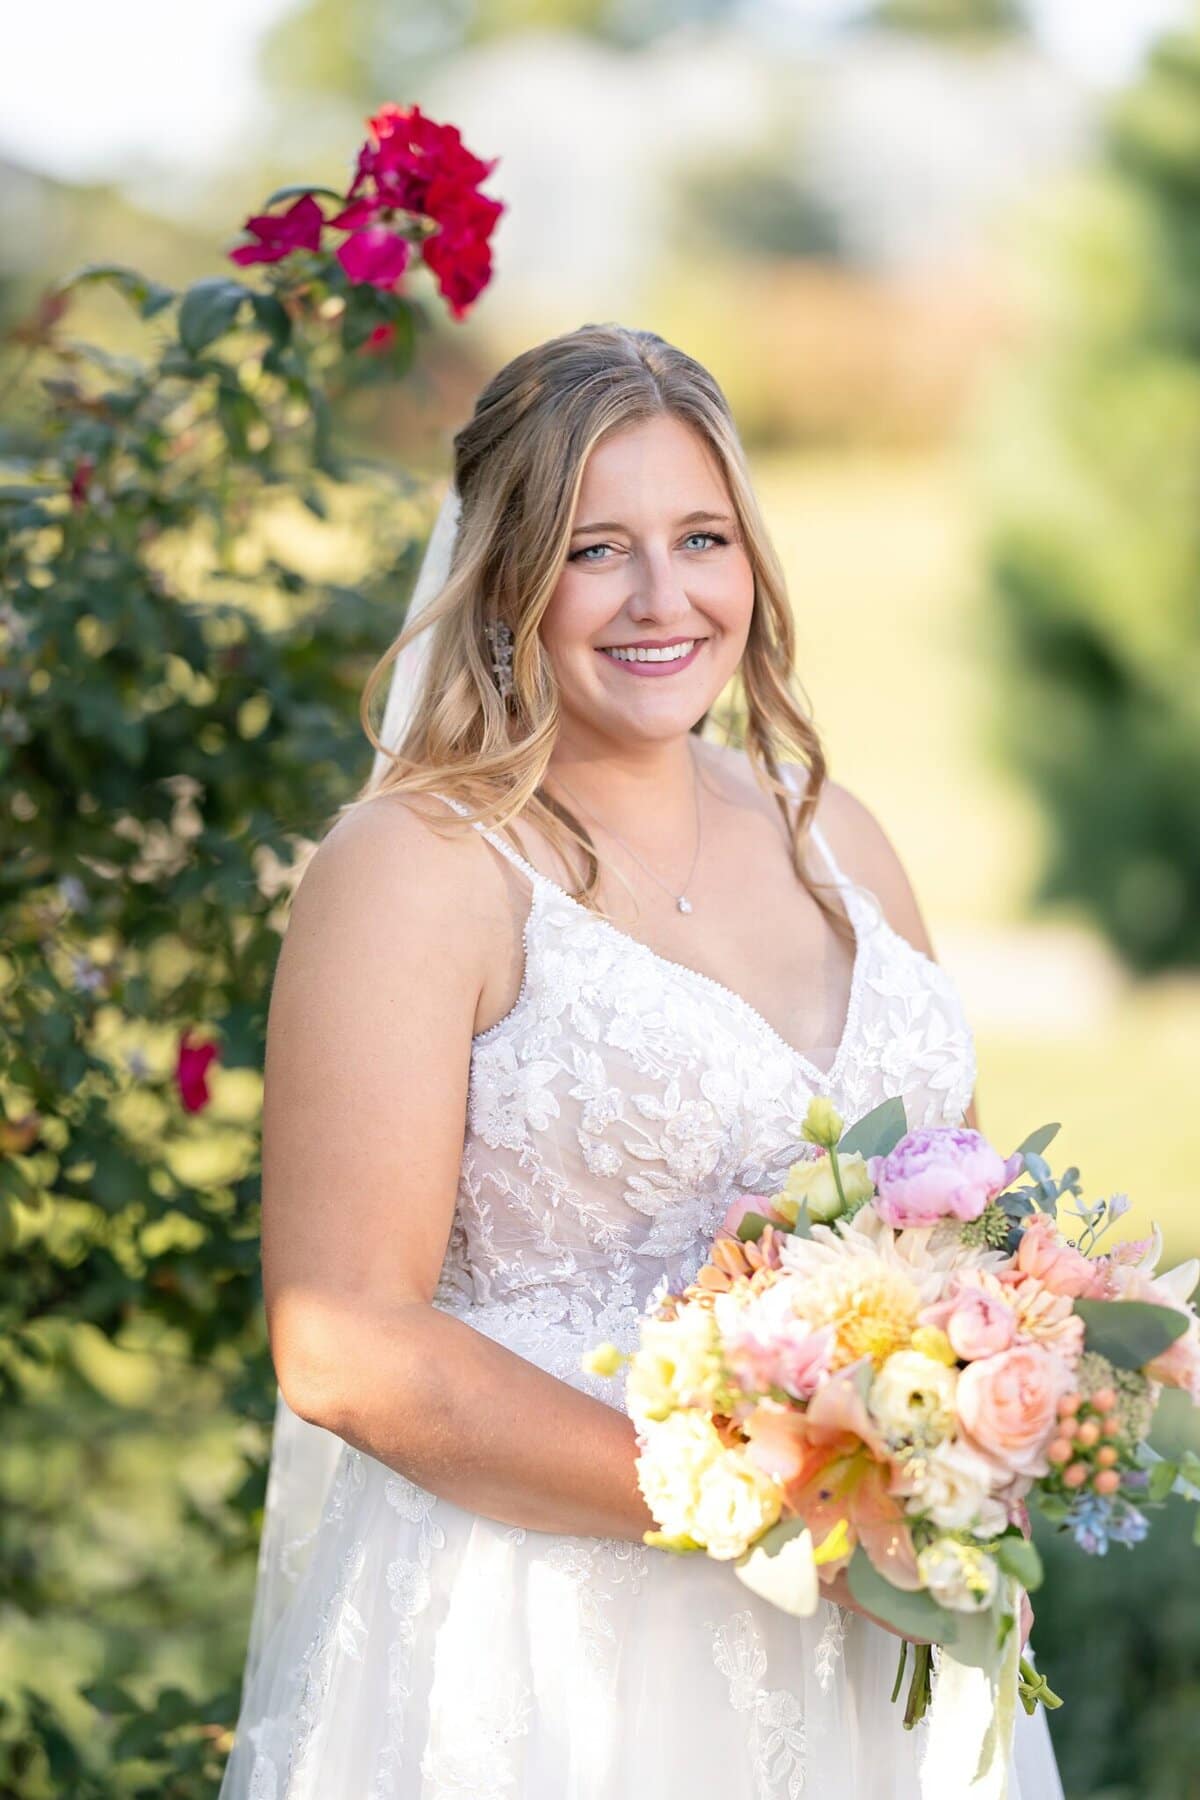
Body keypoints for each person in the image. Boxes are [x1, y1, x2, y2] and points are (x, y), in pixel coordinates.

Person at [218, 322, 1065, 1798]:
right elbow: (341, 1339)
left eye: (702, 538)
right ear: (504, 575)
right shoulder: (421, 868)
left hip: (879, 1631)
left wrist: (1008, 1392)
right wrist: (777, 1508)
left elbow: (970, 1204)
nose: (662, 600)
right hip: (559, 1651)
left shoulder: (831, 830)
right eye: (597, 550)